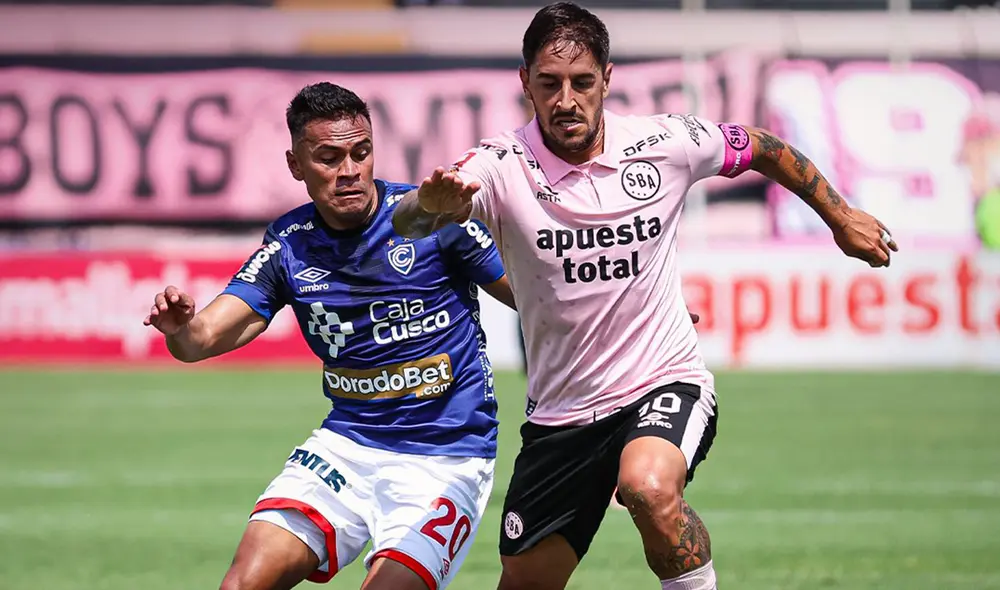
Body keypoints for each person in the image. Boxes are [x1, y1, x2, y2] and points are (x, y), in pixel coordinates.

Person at [391, 3, 899, 590]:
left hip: (663, 380)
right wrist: (430, 206)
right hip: (562, 415)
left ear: (607, 79)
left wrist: (840, 216)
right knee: (526, 580)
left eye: (582, 82)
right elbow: (410, 221)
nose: (566, 100)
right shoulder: (500, 164)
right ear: (525, 82)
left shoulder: (666, 142)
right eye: (549, 83)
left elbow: (760, 145)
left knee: (649, 488)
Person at [143, 82, 516, 590]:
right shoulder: (289, 244)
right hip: (346, 448)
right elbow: (199, 341)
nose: (349, 171)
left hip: (446, 457)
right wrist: (180, 328)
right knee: (241, 585)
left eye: (361, 153)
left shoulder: (432, 216)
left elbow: (535, 300)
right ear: (296, 164)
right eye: (329, 158)